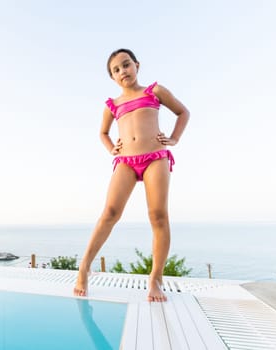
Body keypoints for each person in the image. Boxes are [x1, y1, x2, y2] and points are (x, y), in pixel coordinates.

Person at [74, 48, 190, 302]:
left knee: (158, 215)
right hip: (126, 161)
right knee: (110, 213)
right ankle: (84, 266)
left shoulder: (154, 91)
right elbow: (102, 133)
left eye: (126, 65)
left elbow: (183, 112)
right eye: (116, 70)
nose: (122, 71)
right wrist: (111, 149)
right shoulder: (112, 105)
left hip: (155, 158)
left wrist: (174, 139)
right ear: (113, 78)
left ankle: (155, 279)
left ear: (137, 65)